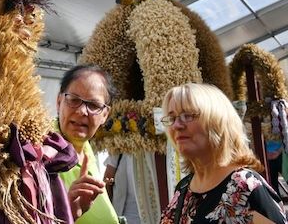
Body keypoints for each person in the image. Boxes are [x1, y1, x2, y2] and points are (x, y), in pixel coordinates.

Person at [159, 83, 287, 224]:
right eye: (172, 118)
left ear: (216, 122)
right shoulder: (183, 188)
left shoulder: (244, 187)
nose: (177, 125)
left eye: (187, 115)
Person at [56, 64, 120, 223]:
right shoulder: (39, 151)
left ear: (105, 115)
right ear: (59, 102)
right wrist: (67, 214)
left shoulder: (85, 148)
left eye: (93, 105)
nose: (82, 111)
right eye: (74, 100)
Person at [103, 153, 140, 224]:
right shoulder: (119, 151)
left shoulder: (156, 147)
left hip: (153, 215)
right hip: (124, 215)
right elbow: (107, 180)